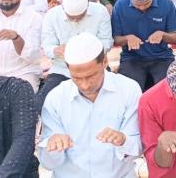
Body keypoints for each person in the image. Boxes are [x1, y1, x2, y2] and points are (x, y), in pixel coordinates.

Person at [38, 33, 142, 177]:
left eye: (91, 76)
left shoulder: (128, 90)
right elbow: (48, 163)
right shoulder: (56, 97)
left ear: (105, 62)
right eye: (77, 78)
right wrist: (53, 145)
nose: (85, 85)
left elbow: (139, 148)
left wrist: (123, 140)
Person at [37, 0, 113, 111]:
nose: (76, 20)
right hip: (63, 69)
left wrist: (90, 50)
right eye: (71, 18)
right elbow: (47, 46)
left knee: (108, 103)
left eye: (80, 17)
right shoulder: (51, 15)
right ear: (63, 8)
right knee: (44, 104)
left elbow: (107, 41)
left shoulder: (100, 11)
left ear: (87, 7)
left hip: (94, 68)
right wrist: (56, 50)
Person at [112, 0, 176, 91]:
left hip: (162, 57)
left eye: (146, 4)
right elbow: (116, 39)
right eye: (137, 5)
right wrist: (127, 38)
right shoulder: (120, 6)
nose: (142, 7)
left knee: (169, 90)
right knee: (130, 91)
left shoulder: (167, 4)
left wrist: (162, 35)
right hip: (131, 58)